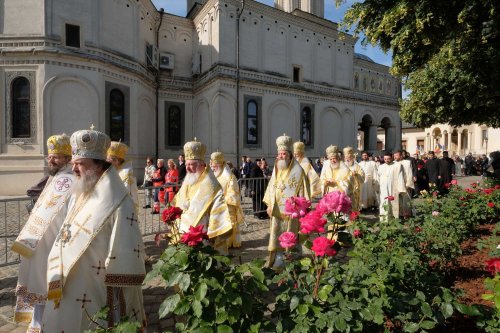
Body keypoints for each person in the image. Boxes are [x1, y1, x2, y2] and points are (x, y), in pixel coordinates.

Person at [42, 128, 146, 331]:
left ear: (98, 165)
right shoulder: (80, 190)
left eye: (79, 164)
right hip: (69, 280)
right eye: (73, 163)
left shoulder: (119, 200)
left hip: (98, 282)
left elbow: (126, 247)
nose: (73, 169)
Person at [12, 134, 76, 332]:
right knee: (38, 282)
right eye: (50, 157)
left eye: (56, 157)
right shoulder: (55, 176)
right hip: (39, 242)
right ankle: (38, 323)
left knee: (47, 283)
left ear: (68, 158)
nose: (51, 160)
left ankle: (48, 324)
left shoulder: (70, 179)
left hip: (54, 242)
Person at [172, 139, 233, 254]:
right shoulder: (187, 182)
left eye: (192, 165)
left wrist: (213, 232)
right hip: (183, 232)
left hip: (203, 234)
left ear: (202, 165)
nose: (188, 168)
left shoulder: (212, 185)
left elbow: (218, 212)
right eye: (187, 164)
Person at [263, 134, 310, 268]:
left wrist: (299, 206)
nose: (281, 156)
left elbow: (303, 192)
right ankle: (278, 257)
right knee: (277, 235)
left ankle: (292, 256)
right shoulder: (277, 169)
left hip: (292, 212)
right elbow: (271, 188)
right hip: (277, 211)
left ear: (290, 155)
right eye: (280, 154)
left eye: (284, 154)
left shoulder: (298, 171)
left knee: (291, 234)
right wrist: (269, 205)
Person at [210, 151, 244, 248]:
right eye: (213, 165)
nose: (214, 167)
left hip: (228, 205)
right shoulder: (214, 176)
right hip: (215, 205)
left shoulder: (230, 177)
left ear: (221, 164)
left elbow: (234, 191)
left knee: (229, 223)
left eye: (216, 165)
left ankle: (230, 242)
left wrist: (225, 201)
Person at [107, 141, 139, 207]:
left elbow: (125, 196)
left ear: (117, 161)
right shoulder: (112, 171)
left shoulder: (126, 175)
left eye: (110, 160)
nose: (107, 163)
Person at [378, 151, 407, 220]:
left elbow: (401, 177)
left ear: (392, 158)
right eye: (385, 159)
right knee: (384, 202)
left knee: (393, 202)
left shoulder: (397, 165)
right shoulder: (381, 166)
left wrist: (400, 189)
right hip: (383, 188)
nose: (386, 161)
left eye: (388, 159)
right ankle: (384, 219)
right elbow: (378, 177)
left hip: (394, 187)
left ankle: (393, 219)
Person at [343, 147, 365, 212]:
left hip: (354, 189)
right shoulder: (342, 166)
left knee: (353, 204)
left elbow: (362, 177)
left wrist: (356, 175)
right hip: (344, 188)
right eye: (346, 158)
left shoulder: (357, 167)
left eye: (349, 158)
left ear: (352, 157)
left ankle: (354, 217)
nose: (347, 159)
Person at [394, 150, 414, 218]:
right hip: (396, 184)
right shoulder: (393, 163)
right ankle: (399, 214)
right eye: (394, 156)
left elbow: (409, 173)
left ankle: (406, 214)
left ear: (401, 156)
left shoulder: (407, 162)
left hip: (405, 184)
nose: (395, 157)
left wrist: (408, 184)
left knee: (406, 200)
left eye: (396, 155)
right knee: (397, 200)